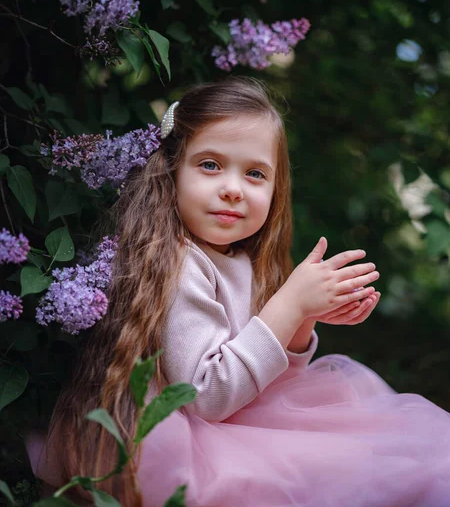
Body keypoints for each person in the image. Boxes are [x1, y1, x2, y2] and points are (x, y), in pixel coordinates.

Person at [27, 77, 450, 507]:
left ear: (275, 190)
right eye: (210, 164)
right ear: (172, 172)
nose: (233, 187)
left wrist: (304, 317)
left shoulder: (244, 259)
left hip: (244, 418)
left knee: (391, 453)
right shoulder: (175, 260)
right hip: (188, 440)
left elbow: (271, 378)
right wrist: (290, 302)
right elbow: (207, 395)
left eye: (254, 173)